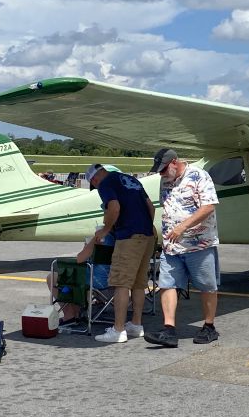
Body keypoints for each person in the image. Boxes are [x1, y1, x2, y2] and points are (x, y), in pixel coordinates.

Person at [144, 148, 220, 348]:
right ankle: (168, 329)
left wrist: (183, 227)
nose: (161, 174)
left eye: (163, 169)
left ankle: (209, 326)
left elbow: (209, 206)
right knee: (167, 284)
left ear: (175, 162)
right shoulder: (165, 180)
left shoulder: (199, 176)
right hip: (172, 246)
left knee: (206, 286)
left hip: (199, 244)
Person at [87, 164, 156, 344]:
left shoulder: (105, 184)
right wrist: (146, 227)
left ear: (94, 179)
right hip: (148, 235)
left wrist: (106, 230)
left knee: (121, 283)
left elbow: (114, 208)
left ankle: (118, 330)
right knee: (139, 283)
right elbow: (151, 207)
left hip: (128, 237)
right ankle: (136, 324)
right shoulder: (131, 179)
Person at [47, 233, 116, 323]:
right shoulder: (119, 240)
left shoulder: (100, 238)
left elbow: (80, 259)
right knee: (77, 278)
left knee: (52, 278)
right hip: (112, 282)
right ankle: (78, 311)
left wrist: (87, 246)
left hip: (93, 282)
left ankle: (70, 314)